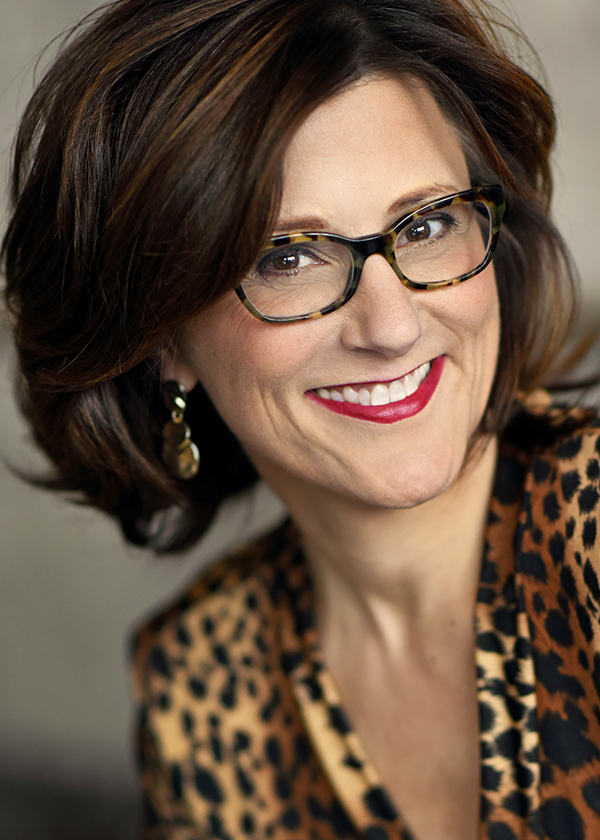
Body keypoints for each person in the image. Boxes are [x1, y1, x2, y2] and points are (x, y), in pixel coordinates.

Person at [3, 0, 600, 837]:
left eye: (427, 223)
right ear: (162, 337)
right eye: (287, 258)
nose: (391, 326)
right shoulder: (202, 686)